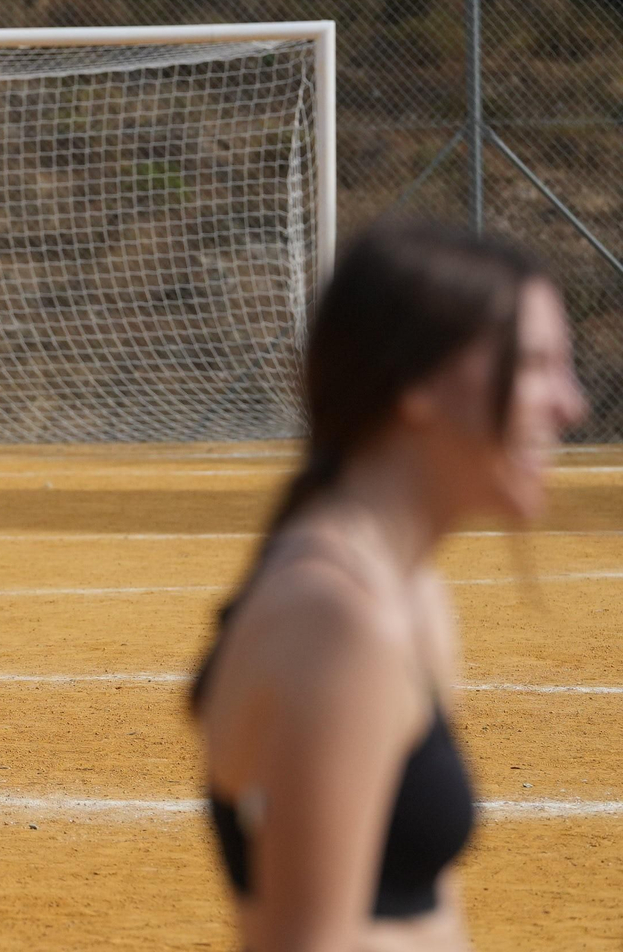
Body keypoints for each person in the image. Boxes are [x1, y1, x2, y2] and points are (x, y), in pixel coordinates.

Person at [192, 221, 585, 950]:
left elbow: (428, 908)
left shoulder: (410, 590)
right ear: (417, 387)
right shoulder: (336, 619)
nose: (570, 404)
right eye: (533, 365)